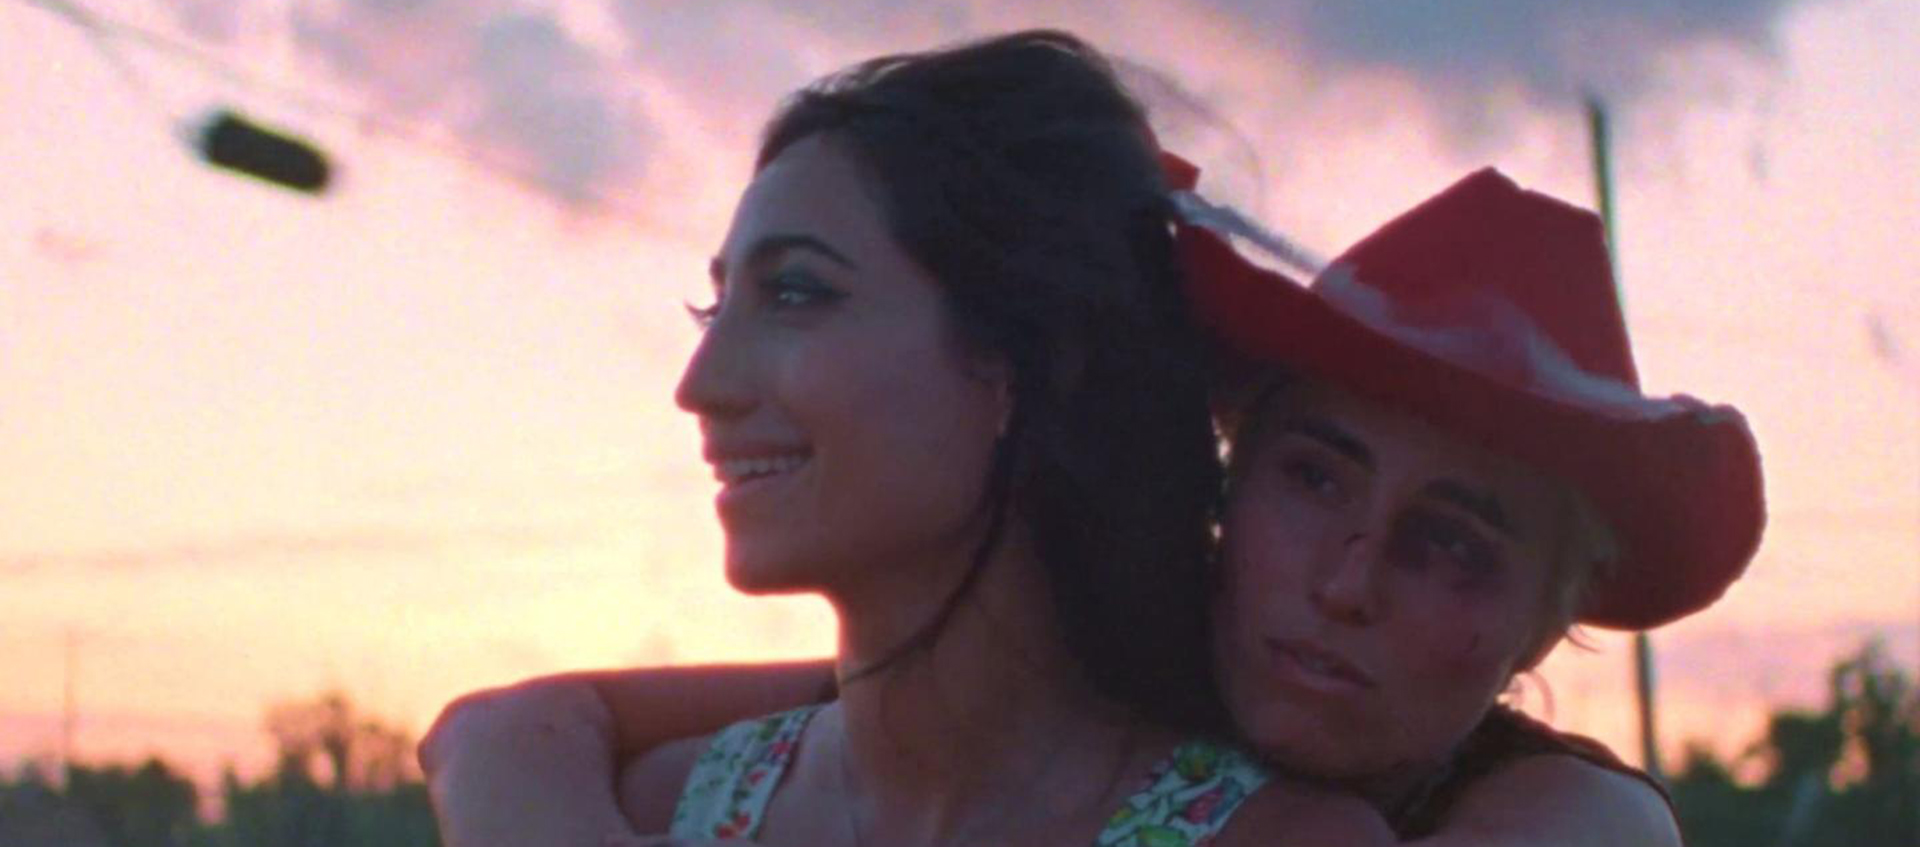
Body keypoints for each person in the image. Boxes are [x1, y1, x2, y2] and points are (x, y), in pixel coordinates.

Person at [423, 65, 1765, 847]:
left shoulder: (1550, 821)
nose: (1347, 580)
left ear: (1543, 630)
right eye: (1312, 474)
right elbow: (508, 725)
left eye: (1453, 546)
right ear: (1234, 475)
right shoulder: (759, 768)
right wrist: (506, 748)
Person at [422, 30, 1386, 847]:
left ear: (1030, 360)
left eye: (795, 292)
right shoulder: (663, 806)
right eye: (714, 308)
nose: (699, 385)